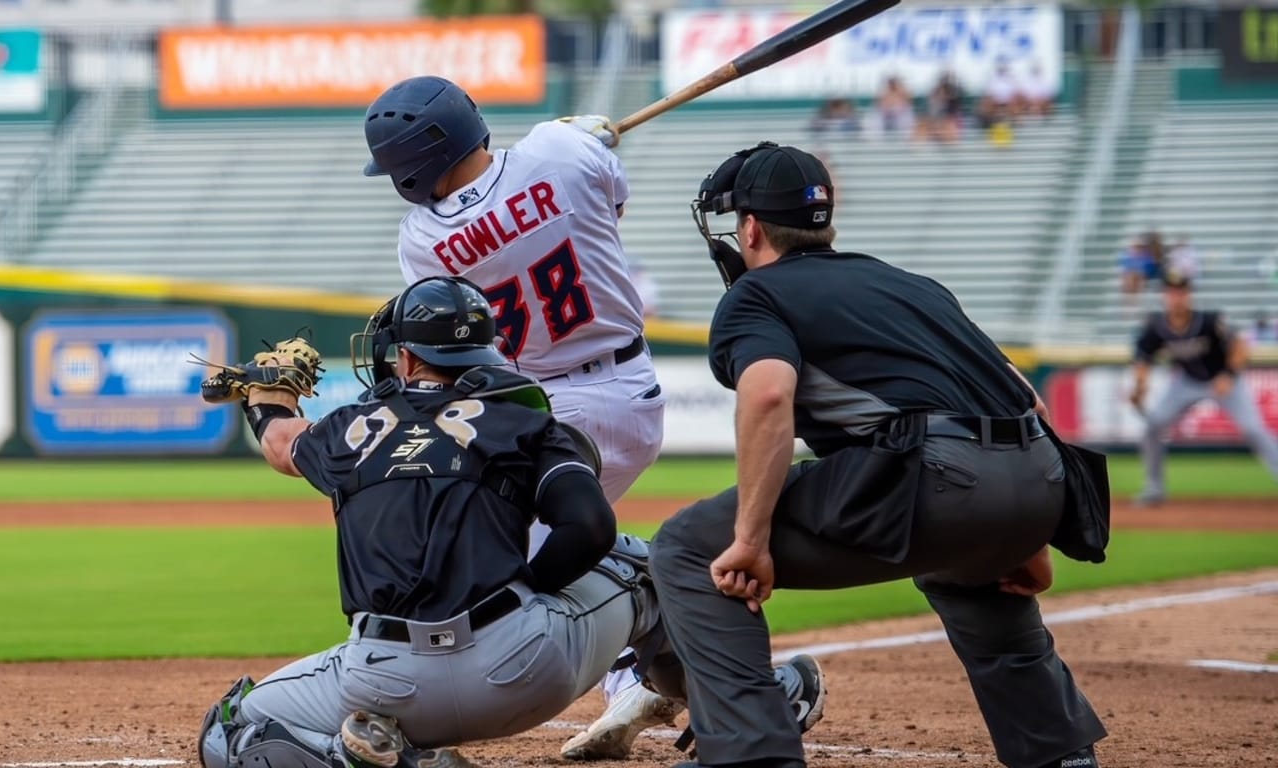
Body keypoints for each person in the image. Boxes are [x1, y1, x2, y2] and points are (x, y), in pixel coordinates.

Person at [192, 277, 828, 768]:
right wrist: (531, 589)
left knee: (233, 729)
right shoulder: (527, 421)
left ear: (408, 361)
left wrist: (265, 393)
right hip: (522, 669)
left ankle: (372, 755)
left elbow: (279, 443)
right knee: (651, 566)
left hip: (380, 678)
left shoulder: (351, 429)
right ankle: (752, 704)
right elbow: (589, 528)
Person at [651, 141, 1110, 768]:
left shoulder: (755, 297)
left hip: (937, 479)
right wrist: (1023, 540)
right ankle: (1060, 753)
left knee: (685, 545)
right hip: (1042, 478)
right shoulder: (914, 286)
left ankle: (752, 754)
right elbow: (1023, 400)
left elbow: (766, 397)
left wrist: (751, 539)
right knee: (965, 568)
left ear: (751, 229)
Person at [360, 75, 698, 761]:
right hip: (627, 388)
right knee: (540, 556)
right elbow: (611, 205)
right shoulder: (559, 150)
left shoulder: (423, 238)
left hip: (537, 415)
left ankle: (718, 674)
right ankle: (654, 669)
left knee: (494, 574)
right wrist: (582, 138)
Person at [1129, 273, 1278, 504]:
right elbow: (1143, 359)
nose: (1176, 297)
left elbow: (1240, 346)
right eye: (1171, 292)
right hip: (1187, 382)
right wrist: (1139, 387)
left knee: (1253, 428)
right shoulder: (1156, 326)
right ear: (1164, 295)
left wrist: (1229, 375)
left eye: (1181, 292)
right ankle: (1154, 488)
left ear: (1189, 295)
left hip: (1223, 380)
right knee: (1154, 424)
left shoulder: (1208, 320)